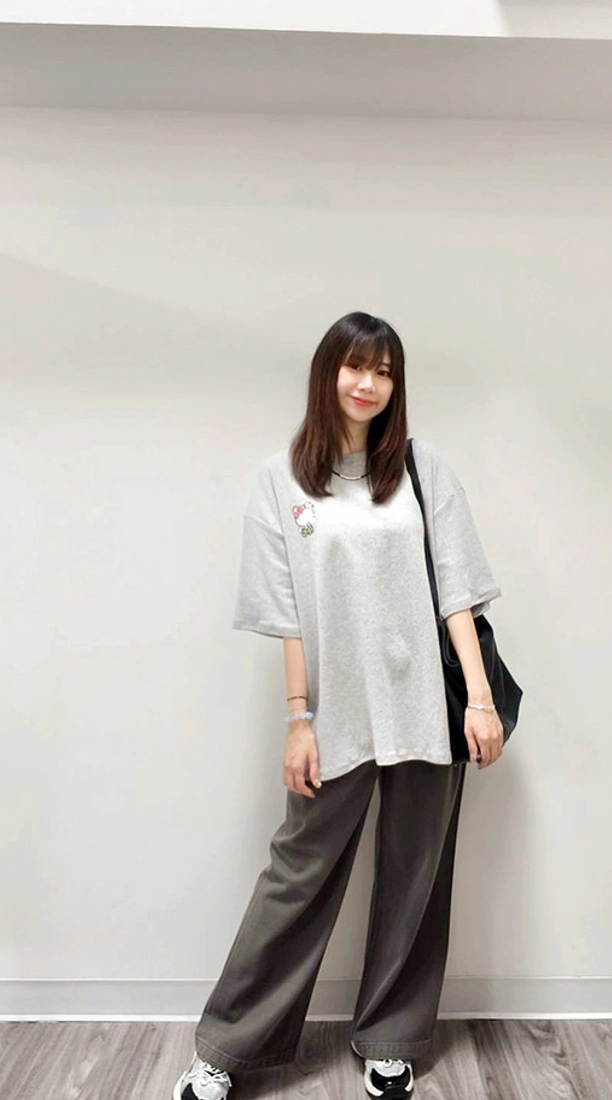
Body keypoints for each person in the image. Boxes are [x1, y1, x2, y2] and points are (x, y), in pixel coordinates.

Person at [173, 311, 505, 1100]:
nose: (368, 383)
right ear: (328, 372)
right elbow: (286, 612)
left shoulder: (423, 469)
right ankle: (225, 1047)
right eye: (356, 366)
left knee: (416, 875)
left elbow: (457, 593)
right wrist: (299, 719)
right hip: (337, 712)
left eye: (384, 371)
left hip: (427, 709)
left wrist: (480, 699)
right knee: (298, 876)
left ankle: (390, 1037)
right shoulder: (281, 479)